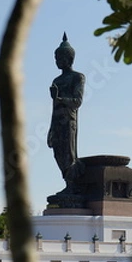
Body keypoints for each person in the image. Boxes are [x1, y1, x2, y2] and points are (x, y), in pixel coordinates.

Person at [48, 33, 85, 193]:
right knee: (57, 153)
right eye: (56, 59)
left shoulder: (78, 77)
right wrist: (50, 129)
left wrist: (60, 98)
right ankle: (67, 181)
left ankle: (72, 185)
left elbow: (77, 102)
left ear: (69, 59)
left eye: (60, 58)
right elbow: (54, 107)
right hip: (57, 122)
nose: (58, 62)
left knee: (68, 153)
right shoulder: (56, 81)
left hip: (69, 121)